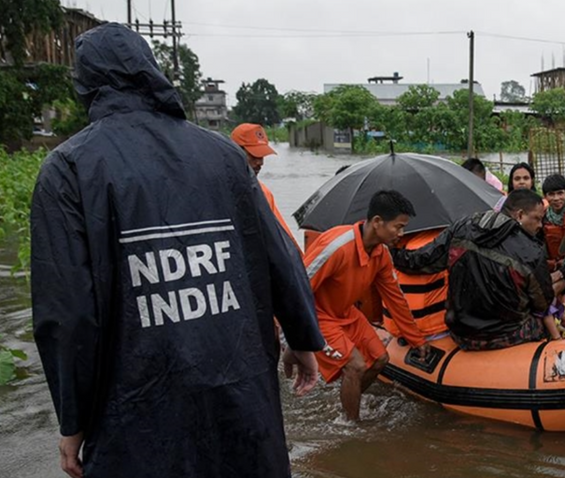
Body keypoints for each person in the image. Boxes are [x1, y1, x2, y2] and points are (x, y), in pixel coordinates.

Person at [30, 23, 324, 478]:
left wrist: (73, 420)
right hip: (241, 398)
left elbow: (67, 314)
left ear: (85, 84)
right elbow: (280, 256)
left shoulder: (69, 168)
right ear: (151, 71)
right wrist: (303, 337)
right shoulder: (224, 156)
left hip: (137, 415)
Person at [304, 190, 429, 421]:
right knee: (356, 365)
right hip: (317, 314)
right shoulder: (337, 246)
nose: (401, 234)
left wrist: (416, 339)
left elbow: (395, 299)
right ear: (377, 222)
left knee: (381, 358)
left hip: (346, 313)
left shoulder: (381, 254)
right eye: (398, 227)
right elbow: (299, 285)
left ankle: (348, 401)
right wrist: (293, 336)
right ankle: (351, 425)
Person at [392, 189, 561, 351]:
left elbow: (422, 260)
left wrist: (392, 253)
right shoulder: (532, 252)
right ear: (520, 215)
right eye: (537, 219)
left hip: (461, 334)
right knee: (545, 320)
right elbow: (542, 303)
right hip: (506, 334)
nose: (540, 225)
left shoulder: (462, 227)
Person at [231, 123, 301, 254]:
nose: (260, 163)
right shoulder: (215, 190)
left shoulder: (262, 193)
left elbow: (283, 236)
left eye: (262, 156)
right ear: (235, 151)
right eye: (254, 156)